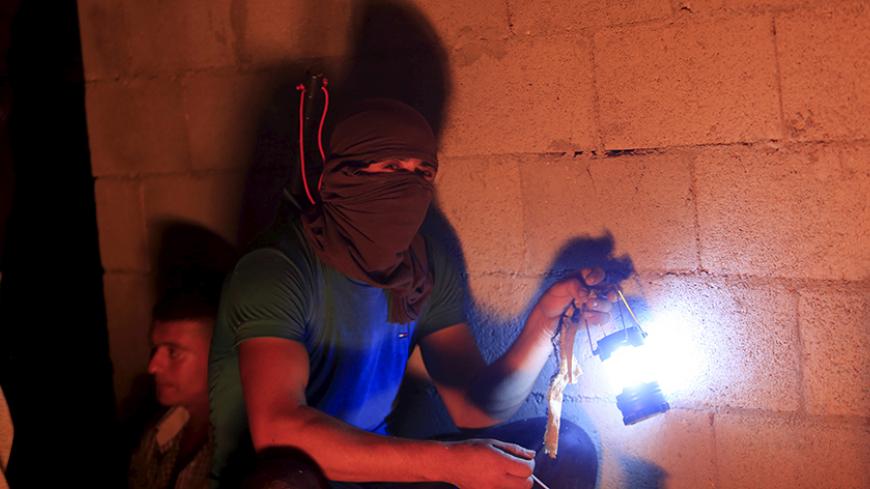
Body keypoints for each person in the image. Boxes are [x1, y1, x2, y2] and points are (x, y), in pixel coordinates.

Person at [209, 99, 610, 489]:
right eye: (392, 168)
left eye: (423, 172)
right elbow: (280, 433)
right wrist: (451, 464)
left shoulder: (421, 268)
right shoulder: (278, 267)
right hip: (282, 476)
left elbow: (474, 407)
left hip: (373, 472)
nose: (410, 187)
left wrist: (546, 321)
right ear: (345, 175)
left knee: (566, 449)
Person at [130, 287, 218, 489]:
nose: (152, 367)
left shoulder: (245, 453)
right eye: (155, 349)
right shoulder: (158, 434)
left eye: (173, 352)